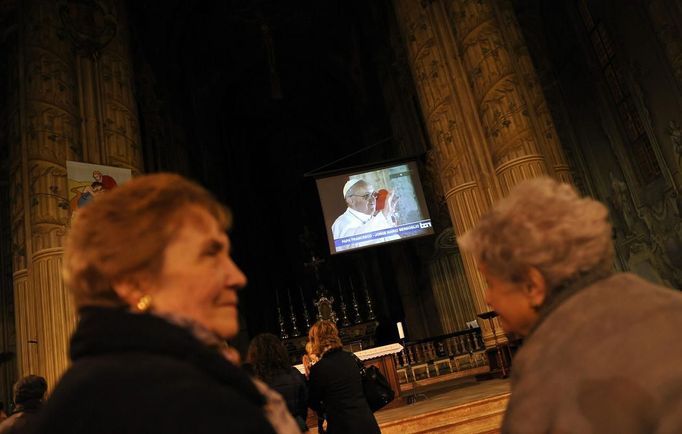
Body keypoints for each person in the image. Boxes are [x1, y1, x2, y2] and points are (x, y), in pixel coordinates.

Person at [31, 173, 300, 434]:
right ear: (133, 282)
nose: (238, 277)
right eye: (210, 254)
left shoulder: (88, 390)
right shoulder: (188, 403)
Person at [458, 177, 682, 434]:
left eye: (490, 282)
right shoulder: (670, 303)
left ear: (533, 286)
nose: (488, 298)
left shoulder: (546, 369)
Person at [304, 321, 380, 434]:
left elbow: (313, 401)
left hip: (342, 426)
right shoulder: (351, 358)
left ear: (316, 341)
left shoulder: (319, 368)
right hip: (366, 422)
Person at [244, 334, 309, 432]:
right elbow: (304, 403)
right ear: (280, 351)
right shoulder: (294, 373)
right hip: (295, 425)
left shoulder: (253, 381)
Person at [331, 179, 398, 251]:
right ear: (350, 200)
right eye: (367, 196)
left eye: (374, 195)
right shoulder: (341, 223)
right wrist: (384, 214)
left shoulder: (376, 218)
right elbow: (354, 243)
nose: (373, 199)